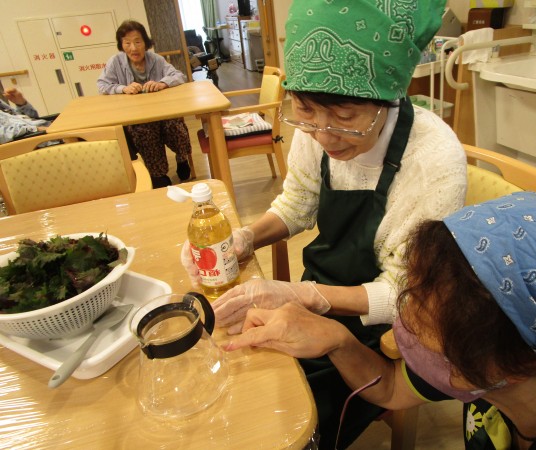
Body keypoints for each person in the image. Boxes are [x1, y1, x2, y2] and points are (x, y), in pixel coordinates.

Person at [182, 0, 466, 448]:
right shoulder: (317, 129)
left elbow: (404, 294)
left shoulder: (432, 159)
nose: (324, 135)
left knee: (283, 427)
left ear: (388, 98)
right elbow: (297, 204)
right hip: (313, 299)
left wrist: (305, 296)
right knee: (227, 381)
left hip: (379, 333)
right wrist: (244, 239)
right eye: (306, 111)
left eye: (346, 118)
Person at [225, 192, 536, 450]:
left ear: (517, 363)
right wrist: (337, 339)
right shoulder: (484, 370)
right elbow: (391, 388)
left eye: (423, 328)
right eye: (411, 293)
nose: (403, 322)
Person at [97, 20, 192, 189]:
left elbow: (179, 76)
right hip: (137, 118)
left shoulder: (156, 59)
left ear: (145, 43)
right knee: (144, 133)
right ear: (121, 44)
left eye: (138, 42)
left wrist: (162, 83)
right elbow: (102, 85)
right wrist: (123, 88)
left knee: (175, 126)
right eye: (127, 43)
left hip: (163, 113)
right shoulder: (115, 62)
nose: (133, 48)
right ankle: (158, 174)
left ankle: (181, 157)